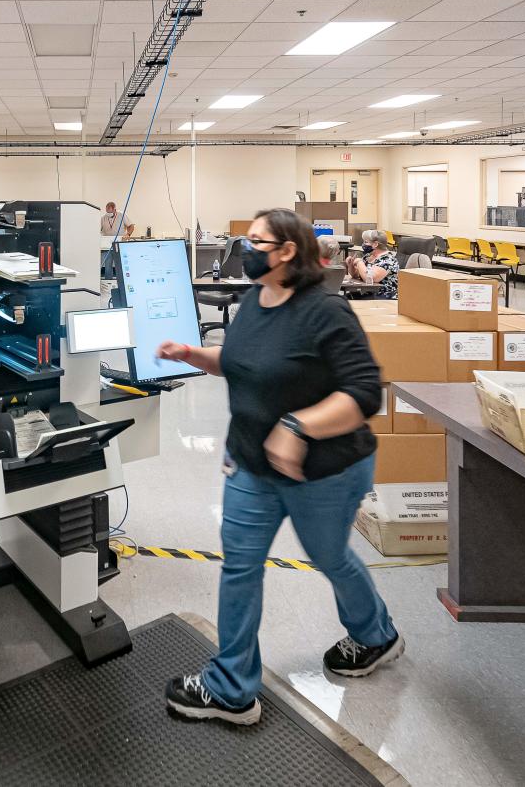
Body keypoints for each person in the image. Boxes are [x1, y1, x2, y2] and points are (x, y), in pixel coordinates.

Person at [156, 208, 401, 727]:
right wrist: (195, 356)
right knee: (239, 567)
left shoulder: (326, 312)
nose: (245, 249)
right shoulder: (254, 301)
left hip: (326, 470)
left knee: (330, 557)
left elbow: (363, 394)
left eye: (255, 241)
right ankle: (232, 688)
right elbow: (244, 360)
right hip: (252, 465)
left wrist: (296, 427)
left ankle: (376, 635)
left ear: (287, 251)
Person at [346, 230, 398, 299]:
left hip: (383, 296)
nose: (363, 244)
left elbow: (369, 279)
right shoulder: (368, 256)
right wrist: (350, 265)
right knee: (343, 299)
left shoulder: (388, 260)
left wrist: (359, 262)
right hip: (366, 293)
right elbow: (356, 275)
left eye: (366, 242)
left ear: (375, 244)